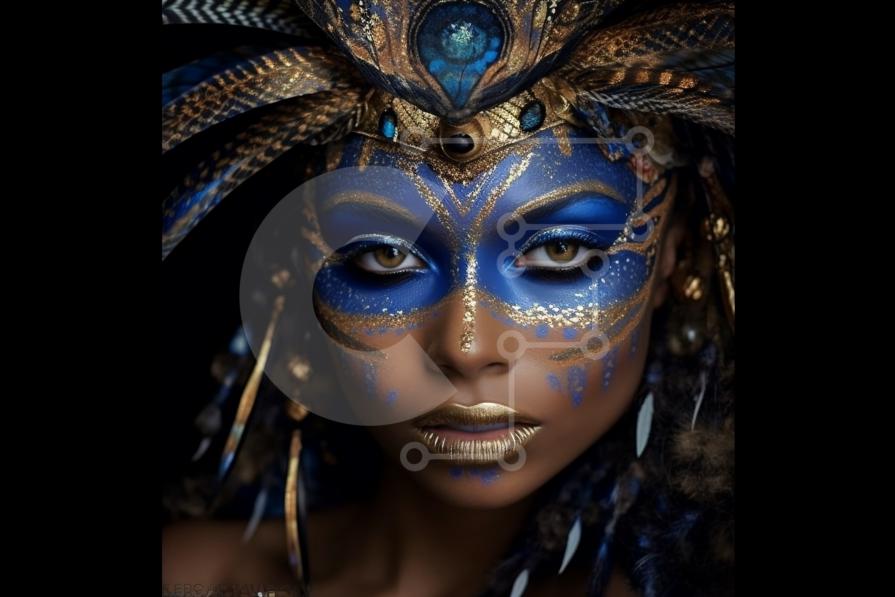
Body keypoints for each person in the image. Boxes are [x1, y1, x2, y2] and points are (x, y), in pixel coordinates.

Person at [161, 1, 734, 596]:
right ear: (301, 273)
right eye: (385, 258)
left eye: (560, 253)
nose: (465, 348)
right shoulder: (190, 577)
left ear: (679, 255)